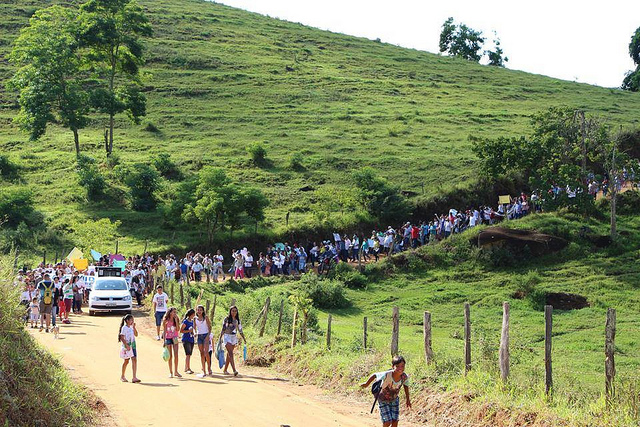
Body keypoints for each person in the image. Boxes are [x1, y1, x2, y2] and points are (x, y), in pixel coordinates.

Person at [360, 355, 412, 427]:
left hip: (394, 400)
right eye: (397, 366)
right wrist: (366, 384)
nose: (400, 368)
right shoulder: (387, 375)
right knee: (387, 422)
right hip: (383, 399)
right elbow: (375, 375)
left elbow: (406, 386)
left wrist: (408, 399)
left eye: (402, 366)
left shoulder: (404, 377)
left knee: (395, 421)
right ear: (393, 366)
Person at [218, 306, 247, 376]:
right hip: (227, 336)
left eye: (235, 311)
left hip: (234, 337)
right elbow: (223, 328)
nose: (234, 312)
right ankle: (234, 370)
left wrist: (244, 338)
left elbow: (240, 330)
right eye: (232, 311)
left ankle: (225, 370)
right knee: (230, 353)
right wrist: (220, 337)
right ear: (230, 311)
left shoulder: (238, 320)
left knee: (229, 354)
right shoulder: (226, 319)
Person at [118, 314, 140, 383]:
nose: (132, 321)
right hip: (127, 346)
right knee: (126, 361)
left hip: (133, 345)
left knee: (134, 359)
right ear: (127, 320)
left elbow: (136, 334)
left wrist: (134, 327)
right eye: (131, 320)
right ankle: (122, 375)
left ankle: (134, 377)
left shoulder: (131, 327)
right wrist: (126, 345)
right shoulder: (124, 328)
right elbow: (122, 337)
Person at [162, 307, 182, 378]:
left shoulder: (176, 319)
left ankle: (176, 371)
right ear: (170, 313)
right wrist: (164, 341)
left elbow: (178, 329)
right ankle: (171, 372)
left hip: (175, 338)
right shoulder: (165, 320)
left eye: (175, 312)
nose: (175, 313)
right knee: (170, 356)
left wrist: (176, 321)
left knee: (176, 355)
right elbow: (164, 331)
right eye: (174, 312)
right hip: (168, 338)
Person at [195, 305, 213, 378]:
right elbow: (194, 327)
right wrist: (194, 332)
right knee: (201, 353)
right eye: (198, 310)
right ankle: (204, 370)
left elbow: (209, 327)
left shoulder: (206, 318)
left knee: (206, 352)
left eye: (200, 310)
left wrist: (208, 336)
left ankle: (209, 367)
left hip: (205, 335)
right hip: (199, 336)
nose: (199, 311)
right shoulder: (195, 318)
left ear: (203, 311)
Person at [181, 308, 196, 374]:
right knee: (188, 354)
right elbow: (181, 331)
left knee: (189, 354)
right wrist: (188, 331)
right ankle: (187, 368)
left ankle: (186, 367)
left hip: (191, 339)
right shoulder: (185, 322)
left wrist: (193, 333)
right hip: (186, 339)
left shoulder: (192, 321)